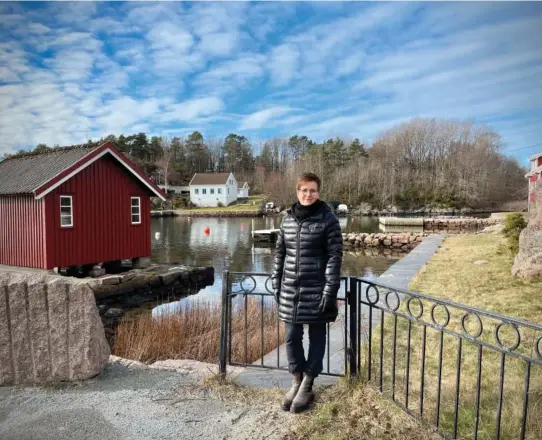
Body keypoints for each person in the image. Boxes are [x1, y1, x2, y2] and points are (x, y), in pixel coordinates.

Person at [271, 172, 343, 413]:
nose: (308, 194)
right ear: (297, 192)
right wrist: (275, 280)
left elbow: (335, 256)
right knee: (291, 337)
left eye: (312, 190)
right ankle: (296, 379)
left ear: (318, 192)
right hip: (290, 288)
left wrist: (330, 290)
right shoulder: (288, 219)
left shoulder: (328, 219)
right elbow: (280, 252)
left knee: (317, 338)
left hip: (318, 289)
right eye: (304, 190)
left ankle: (309, 383)